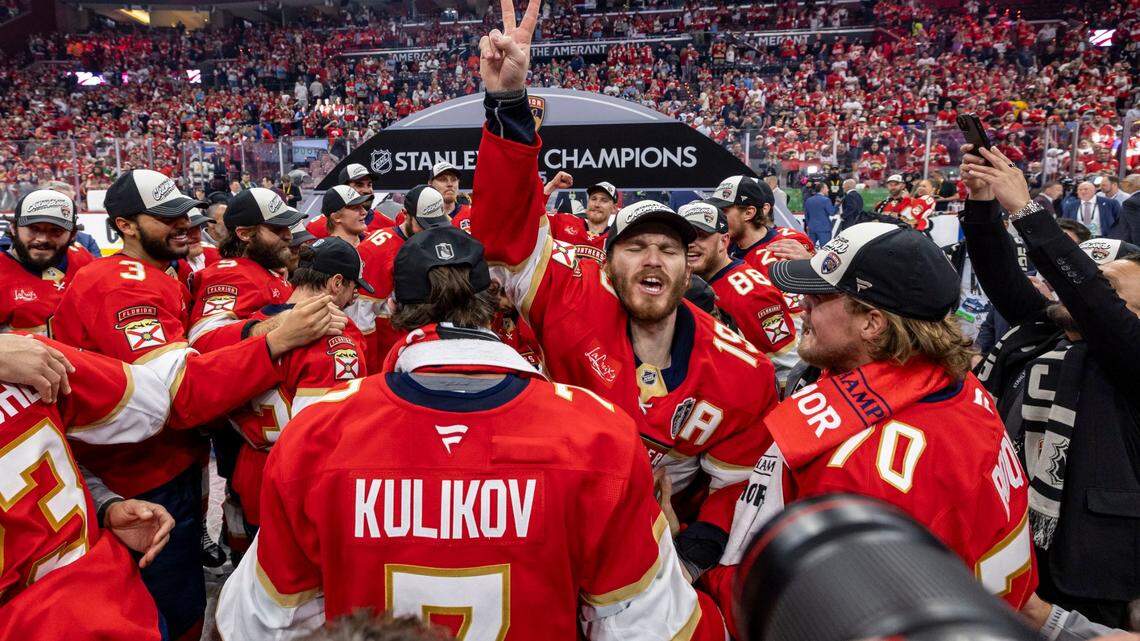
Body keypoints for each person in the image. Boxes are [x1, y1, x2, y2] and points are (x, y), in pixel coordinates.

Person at [215, 209, 723, 641]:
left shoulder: (319, 430)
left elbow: (259, 623)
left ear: (395, 308)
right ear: (495, 305)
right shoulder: (599, 432)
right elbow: (647, 626)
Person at [467, 22, 779, 588]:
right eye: (635, 247)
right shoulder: (568, 292)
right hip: (547, 518)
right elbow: (504, 233)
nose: (653, 260)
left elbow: (739, 483)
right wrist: (509, 102)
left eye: (669, 248)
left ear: (692, 266)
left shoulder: (742, 370)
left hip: (657, 547)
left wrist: (687, 555)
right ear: (609, 262)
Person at [707, 220, 1037, 637]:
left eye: (820, 295)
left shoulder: (857, 464)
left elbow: (813, 619)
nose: (801, 304)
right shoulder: (955, 384)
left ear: (872, 323)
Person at [49, 168, 337, 641]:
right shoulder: (124, 283)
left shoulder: (168, 272)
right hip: (139, 479)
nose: (184, 224)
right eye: (166, 217)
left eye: (184, 213)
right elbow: (179, 395)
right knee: (165, 612)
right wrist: (276, 340)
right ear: (124, 224)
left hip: (165, 463)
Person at [960, 144, 1140, 628]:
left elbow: (1091, 299)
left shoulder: (1130, 356)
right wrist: (981, 203)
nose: (1071, 294)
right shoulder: (1046, 330)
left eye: (1109, 289)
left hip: (1092, 572)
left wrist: (1027, 210)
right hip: (1012, 539)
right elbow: (1000, 275)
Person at [0, 333, 189, 640]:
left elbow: (37, 461)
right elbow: (153, 404)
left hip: (115, 600)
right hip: (48, 621)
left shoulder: (20, 358)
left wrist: (104, 506)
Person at [226, 237, 372, 539]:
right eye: (352, 287)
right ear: (335, 282)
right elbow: (325, 437)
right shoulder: (336, 339)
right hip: (301, 484)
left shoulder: (253, 323)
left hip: (250, 466)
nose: (355, 296)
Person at [680, 200, 799, 387]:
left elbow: (788, 367)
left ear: (724, 241)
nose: (690, 245)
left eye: (701, 236)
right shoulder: (693, 279)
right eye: (684, 237)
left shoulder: (751, 294)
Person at [186, 187, 308, 351]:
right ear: (244, 234)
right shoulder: (229, 275)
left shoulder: (263, 267)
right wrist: (278, 323)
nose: (289, 235)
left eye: (287, 227)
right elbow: (204, 340)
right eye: (277, 228)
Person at [355, 184, 453, 371]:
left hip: (429, 347)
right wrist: (371, 368)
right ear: (405, 214)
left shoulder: (438, 239)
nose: (429, 232)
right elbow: (362, 315)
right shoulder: (377, 250)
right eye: (423, 224)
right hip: (389, 350)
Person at [0, 189, 94, 334]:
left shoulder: (82, 258)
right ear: (13, 228)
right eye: (33, 229)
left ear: (73, 234)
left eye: (56, 231)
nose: (42, 239)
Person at [305, 164, 395, 240]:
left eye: (369, 184)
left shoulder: (387, 225)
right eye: (359, 185)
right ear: (344, 188)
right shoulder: (317, 226)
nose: (367, 190)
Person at [543, 171, 615, 264]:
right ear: (588, 203)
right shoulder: (565, 221)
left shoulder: (617, 240)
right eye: (593, 199)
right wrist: (551, 186)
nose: (597, 204)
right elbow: (532, 217)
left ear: (613, 208)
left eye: (604, 200)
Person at [428, 160, 473, 231]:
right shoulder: (422, 218)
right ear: (430, 184)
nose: (450, 184)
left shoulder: (472, 214)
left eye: (454, 179)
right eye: (443, 179)